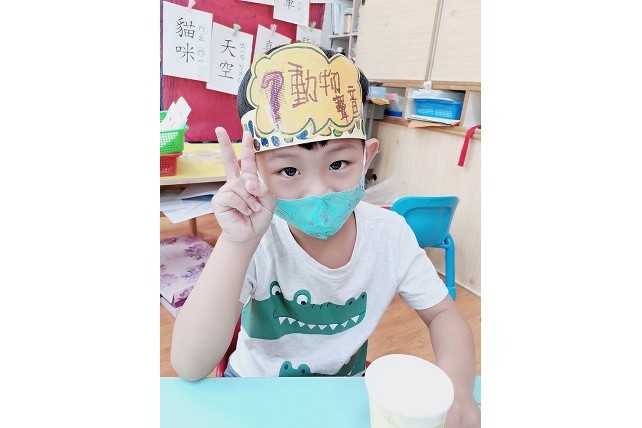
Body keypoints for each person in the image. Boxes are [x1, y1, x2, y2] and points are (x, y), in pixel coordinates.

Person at [171, 42, 480, 427]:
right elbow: (189, 364)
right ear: (258, 172)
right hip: (254, 391)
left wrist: (458, 389)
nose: (318, 190)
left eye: (338, 163)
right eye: (288, 171)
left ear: (366, 157)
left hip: (346, 394)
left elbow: (444, 314)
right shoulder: (257, 240)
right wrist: (237, 243)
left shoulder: (391, 236)